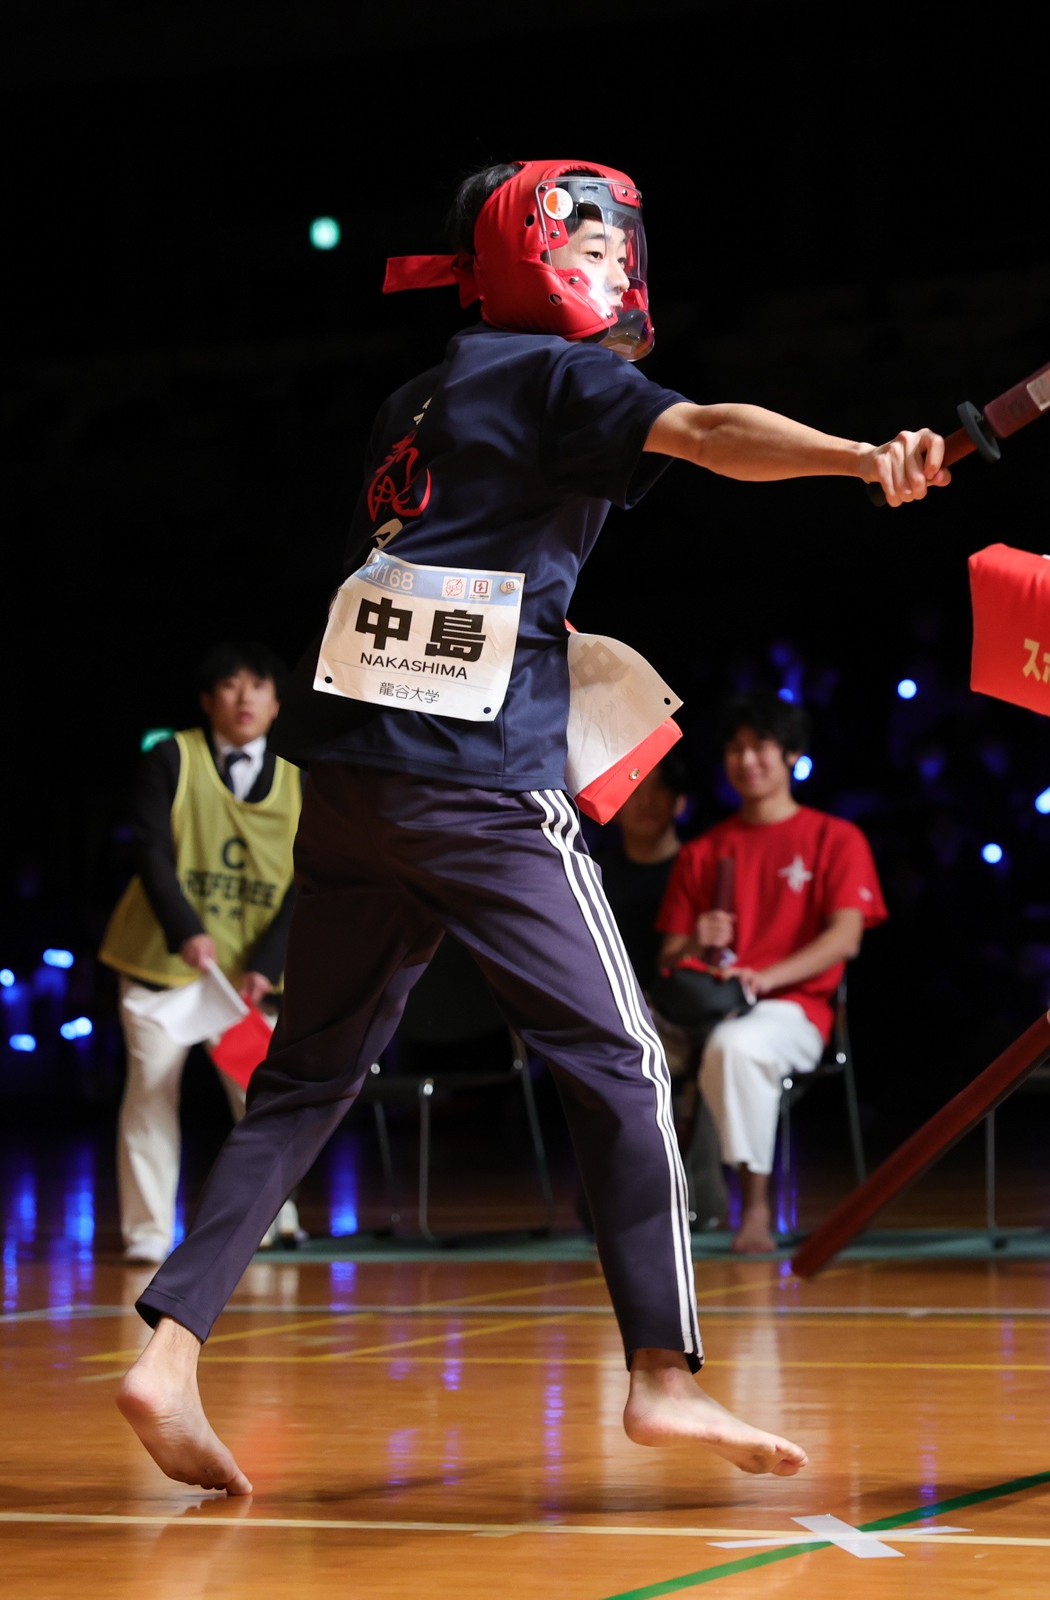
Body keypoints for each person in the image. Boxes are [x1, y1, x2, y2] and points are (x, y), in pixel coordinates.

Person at [115, 159, 950, 1497]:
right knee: (624, 1058)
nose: (621, 271)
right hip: (477, 790)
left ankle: (167, 1353)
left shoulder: (416, 398)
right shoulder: (559, 377)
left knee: (306, 1077)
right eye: (599, 250)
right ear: (539, 263)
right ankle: (663, 1375)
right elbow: (710, 429)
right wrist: (863, 457)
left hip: (353, 782)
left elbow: (445, 576)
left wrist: (552, 646)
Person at [98, 642, 304, 1265]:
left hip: (245, 977)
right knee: (152, 1090)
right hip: (165, 967)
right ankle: (147, 1233)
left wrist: (267, 963)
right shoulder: (171, 757)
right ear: (208, 700)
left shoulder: (300, 775)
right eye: (230, 686)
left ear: (276, 703)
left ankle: (269, 1222)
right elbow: (150, 851)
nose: (244, 698)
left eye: (257, 686)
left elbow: (310, 877)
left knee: (257, 1095)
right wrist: (185, 927)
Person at [658, 698, 886, 1255]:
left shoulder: (836, 838)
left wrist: (762, 977)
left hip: (796, 1010)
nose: (746, 760)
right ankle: (640, 1208)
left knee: (735, 1047)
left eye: (760, 746)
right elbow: (669, 959)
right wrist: (699, 939)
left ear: (791, 756)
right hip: (710, 1007)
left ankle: (754, 1208)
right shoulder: (703, 851)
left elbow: (845, 938)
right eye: (735, 749)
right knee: (629, 1045)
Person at [580, 750, 729, 1226]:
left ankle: (695, 1198)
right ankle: (611, 1201)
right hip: (613, 1015)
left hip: (686, 1018)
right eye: (633, 789)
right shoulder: (590, 873)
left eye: (658, 790)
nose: (643, 802)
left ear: (680, 802)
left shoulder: (699, 869)